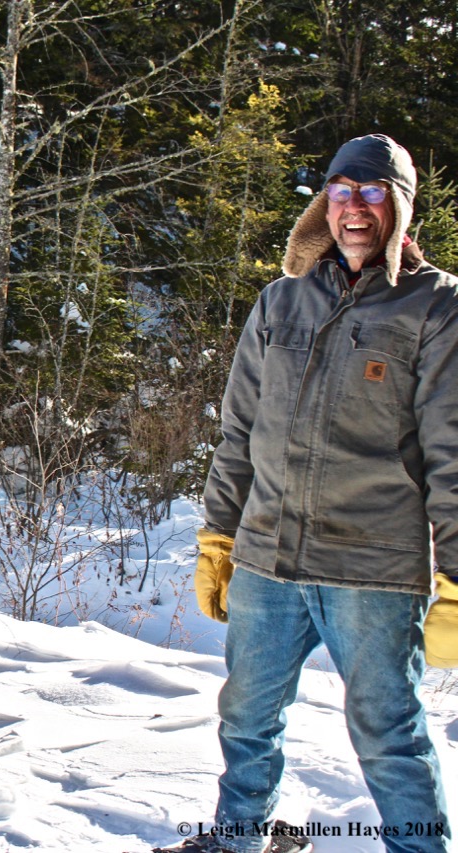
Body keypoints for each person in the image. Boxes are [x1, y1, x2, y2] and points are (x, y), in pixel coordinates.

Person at [173, 134, 456, 853]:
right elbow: (238, 430)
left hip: (374, 568)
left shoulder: (435, 307)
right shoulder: (282, 301)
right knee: (245, 715)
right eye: (341, 192)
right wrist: (218, 536)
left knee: (388, 734)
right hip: (268, 557)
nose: (354, 209)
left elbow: (453, 450)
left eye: (370, 194)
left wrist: (454, 573)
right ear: (322, 204)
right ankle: (239, 838)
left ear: (397, 206)